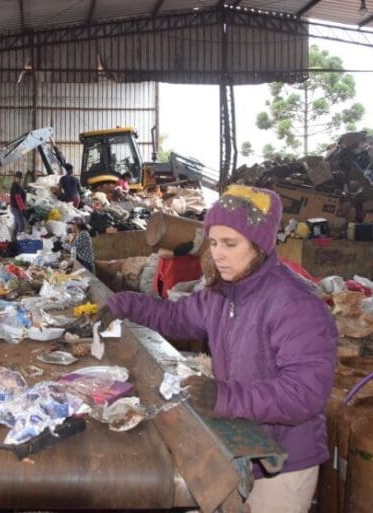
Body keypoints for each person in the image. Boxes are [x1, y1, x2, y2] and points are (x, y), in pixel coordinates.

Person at [96, 185, 336, 513]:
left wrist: (222, 397)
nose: (218, 254)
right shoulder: (223, 293)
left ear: (260, 245)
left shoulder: (296, 306)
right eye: (213, 242)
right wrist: (122, 304)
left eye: (230, 244)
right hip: (236, 442)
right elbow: (177, 316)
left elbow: (303, 395)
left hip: (282, 461)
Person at [9, 171, 27, 239]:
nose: (20, 179)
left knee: (16, 224)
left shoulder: (18, 185)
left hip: (15, 208)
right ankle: (20, 239)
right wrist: (23, 209)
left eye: (21, 178)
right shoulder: (15, 186)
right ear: (15, 178)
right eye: (18, 178)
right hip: (16, 208)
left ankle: (13, 238)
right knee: (22, 225)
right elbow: (18, 198)